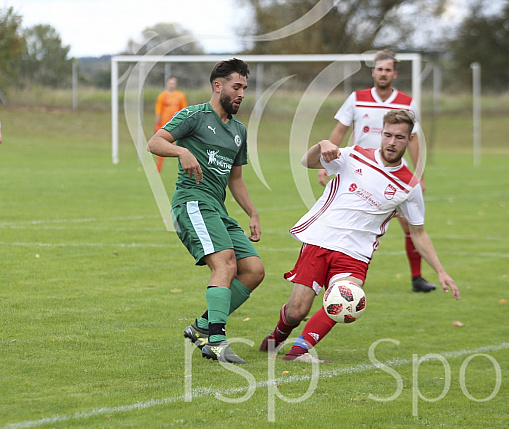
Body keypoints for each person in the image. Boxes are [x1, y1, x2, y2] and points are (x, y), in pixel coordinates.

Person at [260, 110, 460, 363]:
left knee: (346, 298)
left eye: (399, 137)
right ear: (381, 133)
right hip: (321, 239)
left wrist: (440, 271)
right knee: (297, 311)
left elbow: (418, 233)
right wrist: (321, 144)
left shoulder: (409, 186)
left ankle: (298, 352)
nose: (391, 142)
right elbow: (308, 162)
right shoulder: (354, 155)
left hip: (356, 253)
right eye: (387, 135)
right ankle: (280, 334)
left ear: (409, 140)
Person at [147, 59, 264, 364]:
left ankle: (201, 327)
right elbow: (155, 142)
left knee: (253, 270)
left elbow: (235, 178)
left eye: (244, 89)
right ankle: (216, 341)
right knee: (224, 264)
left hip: (218, 207)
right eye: (236, 87)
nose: (241, 94)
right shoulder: (194, 116)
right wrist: (181, 151)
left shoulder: (238, 130)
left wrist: (252, 212)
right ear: (218, 86)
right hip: (192, 201)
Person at [318, 49, 436, 294]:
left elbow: (412, 140)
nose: (383, 74)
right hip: (359, 173)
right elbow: (339, 131)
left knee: (409, 223)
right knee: (345, 222)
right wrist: (324, 164)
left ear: (395, 73)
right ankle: (332, 276)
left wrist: (419, 175)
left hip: (393, 175)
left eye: (388, 70)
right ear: (373, 72)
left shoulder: (406, 103)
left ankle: (417, 277)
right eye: (379, 69)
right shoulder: (357, 98)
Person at [154, 76, 188, 172]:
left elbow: (184, 110)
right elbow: (158, 111)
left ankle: (185, 166)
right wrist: (157, 124)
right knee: (161, 145)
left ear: (175, 84)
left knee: (183, 145)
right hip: (165, 125)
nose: (171, 85)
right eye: (170, 83)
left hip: (177, 125)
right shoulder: (162, 96)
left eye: (173, 83)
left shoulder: (180, 96)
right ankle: (159, 167)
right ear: (167, 84)